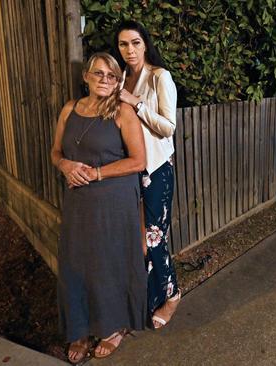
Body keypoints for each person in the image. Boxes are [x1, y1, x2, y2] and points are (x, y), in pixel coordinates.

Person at [50, 52, 147, 363]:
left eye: (112, 76)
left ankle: (112, 328)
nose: (105, 80)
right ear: (86, 77)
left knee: (108, 264)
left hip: (114, 199)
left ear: (118, 81)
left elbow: (138, 161)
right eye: (99, 74)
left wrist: (97, 173)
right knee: (75, 262)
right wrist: (64, 164)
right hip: (78, 200)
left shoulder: (122, 112)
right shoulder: (70, 109)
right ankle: (79, 329)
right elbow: (55, 151)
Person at [113, 20, 181, 330]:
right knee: (137, 242)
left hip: (155, 169)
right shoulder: (121, 78)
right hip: (128, 169)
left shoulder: (159, 77)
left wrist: (136, 103)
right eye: (124, 44)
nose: (129, 50)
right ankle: (148, 299)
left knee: (154, 239)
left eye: (135, 43)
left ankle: (172, 296)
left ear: (145, 44)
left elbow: (168, 127)